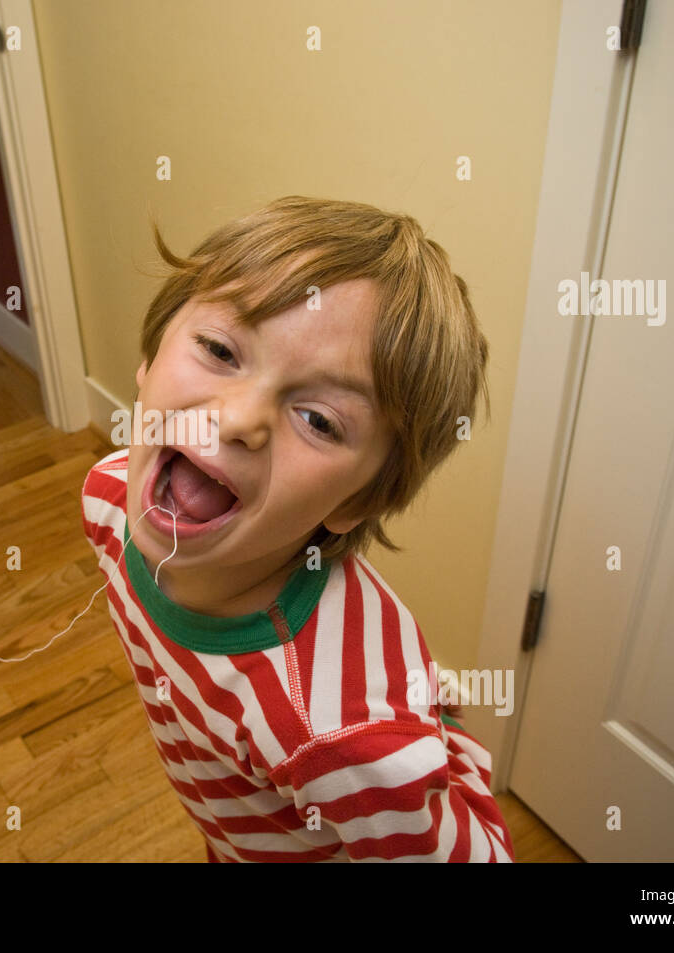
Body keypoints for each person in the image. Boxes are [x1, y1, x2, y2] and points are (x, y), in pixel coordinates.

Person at [81, 196, 514, 861]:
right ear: (149, 356)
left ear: (356, 502)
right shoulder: (109, 498)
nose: (236, 419)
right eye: (221, 349)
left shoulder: (345, 735)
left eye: (319, 419)